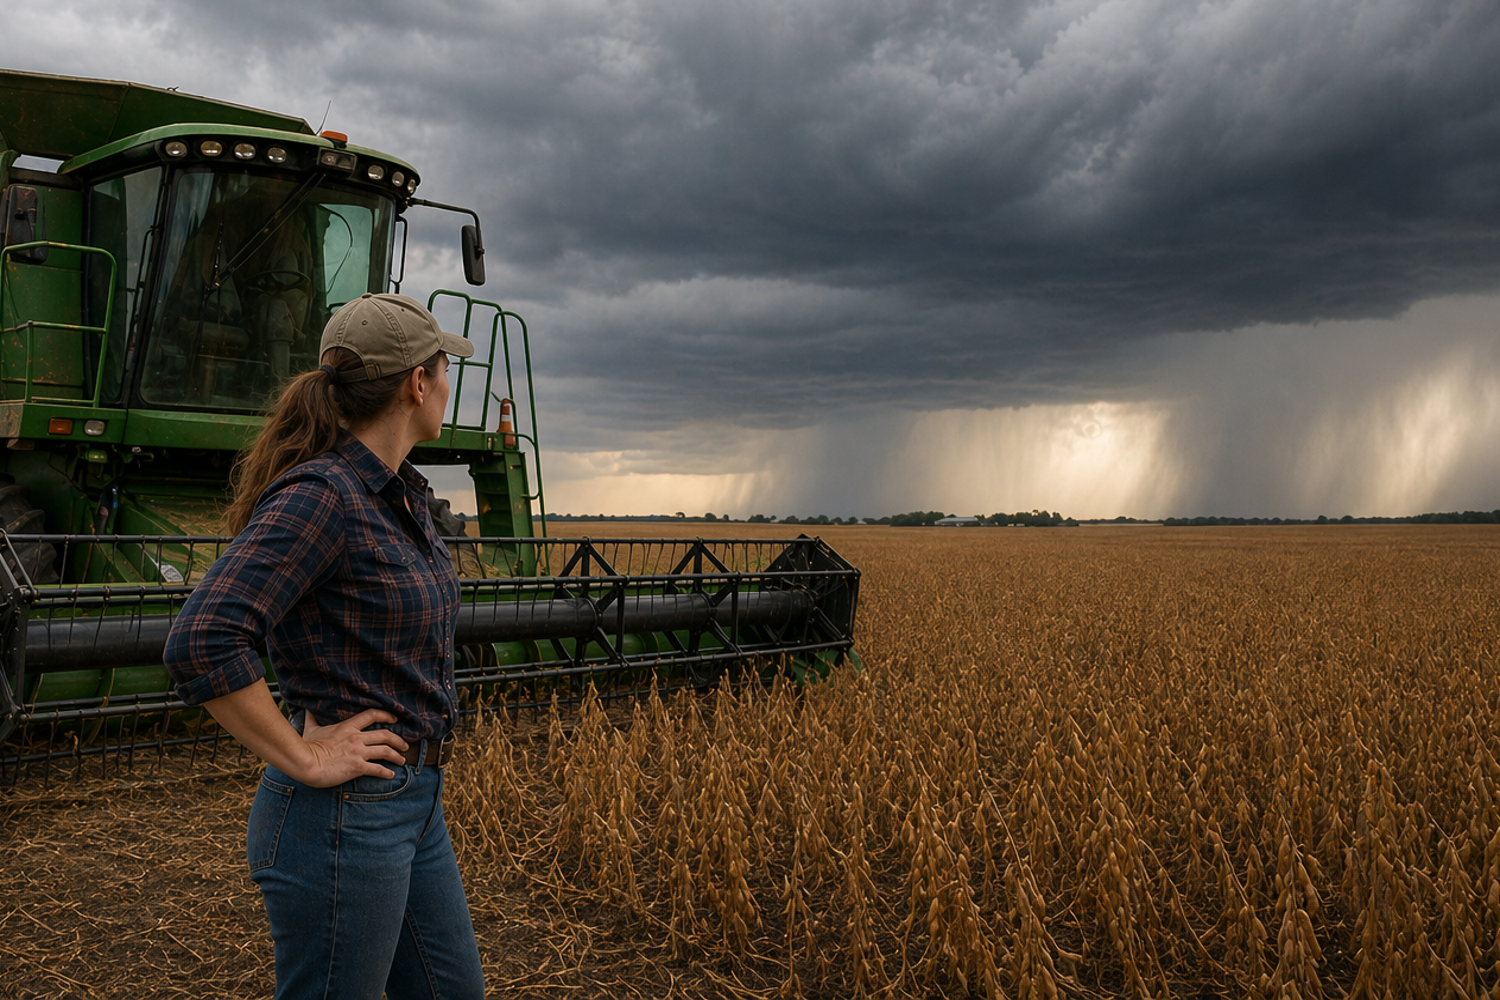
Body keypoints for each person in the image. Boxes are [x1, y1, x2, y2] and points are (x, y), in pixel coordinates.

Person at [164, 292, 484, 1000]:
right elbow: (203, 637)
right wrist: (307, 756)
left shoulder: (398, 493)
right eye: (443, 367)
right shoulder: (325, 497)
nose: (447, 382)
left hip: (413, 805)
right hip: (346, 820)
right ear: (417, 383)